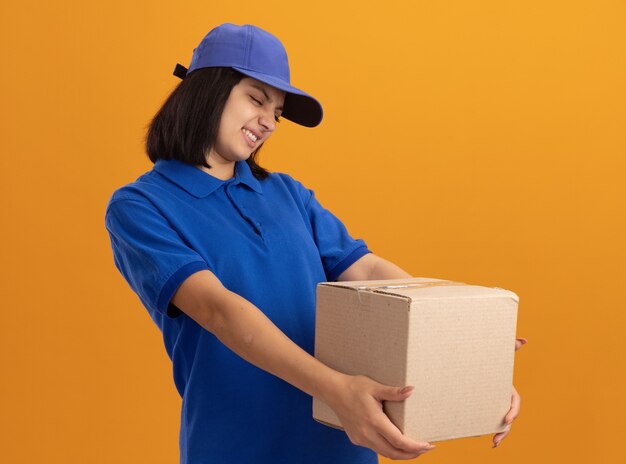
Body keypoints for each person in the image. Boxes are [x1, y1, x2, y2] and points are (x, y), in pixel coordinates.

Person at [104, 23, 523, 463]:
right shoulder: (141, 206)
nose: (269, 122)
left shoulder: (288, 194)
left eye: (278, 112)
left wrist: (468, 336)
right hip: (238, 447)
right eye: (256, 98)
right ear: (207, 88)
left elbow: (368, 271)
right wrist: (336, 390)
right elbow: (219, 311)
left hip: (344, 444)